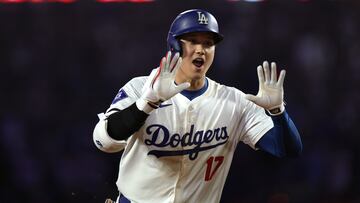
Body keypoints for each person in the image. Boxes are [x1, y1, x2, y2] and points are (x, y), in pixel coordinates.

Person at [93, 9, 302, 203]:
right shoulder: (141, 88)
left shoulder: (233, 101)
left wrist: (278, 112)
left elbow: (288, 149)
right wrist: (146, 104)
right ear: (174, 46)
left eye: (208, 43)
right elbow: (103, 140)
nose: (201, 50)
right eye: (192, 41)